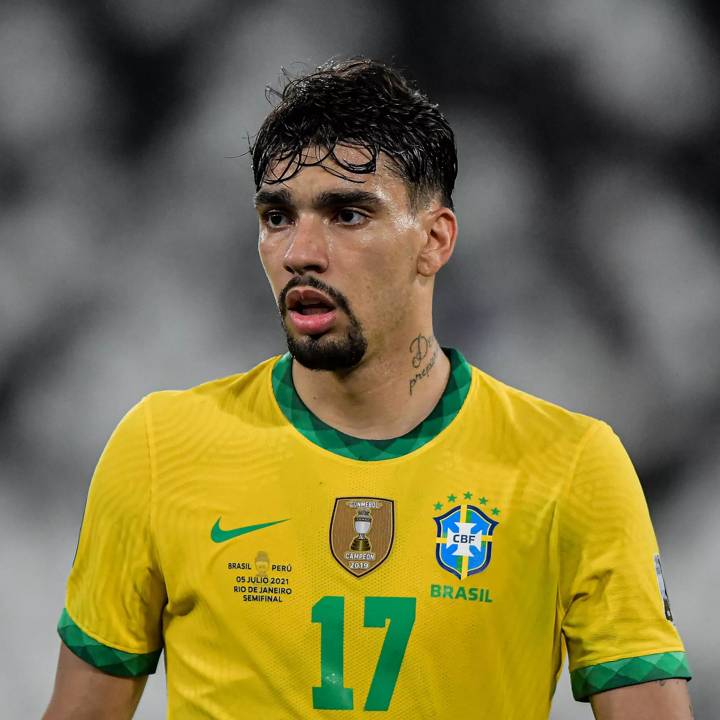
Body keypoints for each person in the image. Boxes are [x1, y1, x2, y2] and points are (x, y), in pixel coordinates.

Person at [44, 58, 693, 720]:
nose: (301, 251)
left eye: (347, 215)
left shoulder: (572, 466)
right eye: (277, 217)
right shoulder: (160, 448)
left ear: (434, 241)